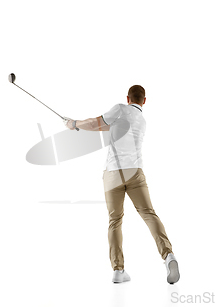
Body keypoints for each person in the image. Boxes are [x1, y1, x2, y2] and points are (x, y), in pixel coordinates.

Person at [63, 85, 180, 284]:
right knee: (148, 214)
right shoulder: (142, 121)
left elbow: (95, 123)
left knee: (115, 220)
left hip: (113, 174)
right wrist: (78, 125)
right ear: (144, 101)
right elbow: (103, 126)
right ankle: (168, 255)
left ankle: (118, 270)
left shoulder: (119, 109)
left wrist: (74, 123)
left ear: (127, 98)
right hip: (135, 173)